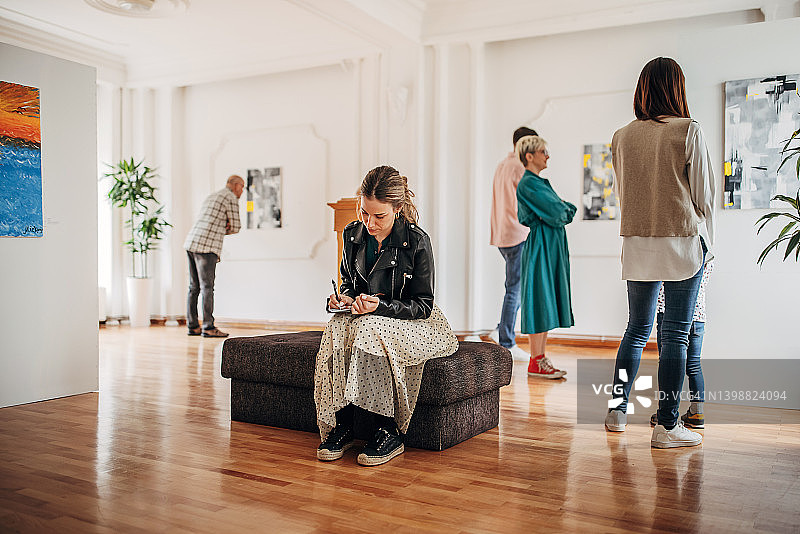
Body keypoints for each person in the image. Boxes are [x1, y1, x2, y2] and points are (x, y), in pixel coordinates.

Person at [604, 57, 715, 449]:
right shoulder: (689, 130)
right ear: (677, 88)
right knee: (676, 335)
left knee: (636, 331)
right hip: (680, 243)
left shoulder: (621, 136)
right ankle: (667, 426)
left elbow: (625, 192)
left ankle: (617, 409)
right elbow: (704, 196)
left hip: (636, 244)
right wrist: (707, 239)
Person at [314, 165, 458, 466]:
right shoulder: (353, 234)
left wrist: (379, 307)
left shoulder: (417, 241)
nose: (369, 222)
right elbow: (349, 285)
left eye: (379, 216)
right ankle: (344, 423)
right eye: (364, 212)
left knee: (368, 327)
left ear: (398, 208)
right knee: (336, 326)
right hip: (368, 318)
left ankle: (388, 429)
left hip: (415, 323)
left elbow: (422, 305)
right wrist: (343, 299)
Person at [516, 135, 575, 379]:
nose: (547, 155)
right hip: (542, 244)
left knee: (548, 296)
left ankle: (539, 358)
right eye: (543, 151)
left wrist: (560, 209)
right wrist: (560, 208)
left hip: (552, 244)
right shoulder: (528, 184)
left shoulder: (539, 183)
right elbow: (560, 211)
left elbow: (564, 211)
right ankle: (536, 360)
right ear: (529, 156)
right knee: (540, 297)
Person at [489, 126, 538, 362]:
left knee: (512, 286)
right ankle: (506, 342)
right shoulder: (520, 167)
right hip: (518, 234)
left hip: (502, 235)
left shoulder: (502, 164)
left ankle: (500, 329)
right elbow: (531, 201)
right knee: (515, 290)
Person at [649, 260, 713, 429]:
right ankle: (697, 412)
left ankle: (666, 412)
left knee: (667, 362)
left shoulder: (673, 254)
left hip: (669, 314)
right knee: (694, 365)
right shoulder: (706, 256)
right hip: (698, 317)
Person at [183, 175, 244, 338]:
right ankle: (208, 327)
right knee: (207, 287)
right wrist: (226, 227)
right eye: (242, 187)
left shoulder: (213, 196)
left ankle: (193, 326)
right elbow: (236, 226)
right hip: (207, 246)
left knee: (193, 287)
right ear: (236, 186)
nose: (242, 191)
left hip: (191, 241)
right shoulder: (230, 197)